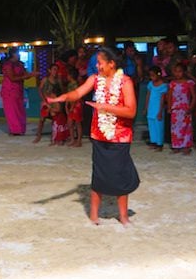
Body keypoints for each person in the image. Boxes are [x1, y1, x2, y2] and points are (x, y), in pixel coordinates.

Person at [47, 47, 139, 226]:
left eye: (100, 63)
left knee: (120, 175)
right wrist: (62, 97)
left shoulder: (125, 82)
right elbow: (78, 93)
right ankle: (94, 215)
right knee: (99, 175)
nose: (96, 66)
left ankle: (123, 216)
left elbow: (131, 111)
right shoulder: (94, 79)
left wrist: (105, 107)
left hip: (119, 137)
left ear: (112, 64)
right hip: (99, 135)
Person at [0, 48, 37, 136]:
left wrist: (31, 75)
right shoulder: (8, 65)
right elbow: (12, 78)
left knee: (20, 110)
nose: (19, 55)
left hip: (18, 90)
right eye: (18, 53)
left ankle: (20, 129)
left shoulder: (20, 64)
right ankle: (15, 130)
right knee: (12, 111)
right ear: (13, 54)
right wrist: (27, 76)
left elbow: (25, 75)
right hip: (9, 90)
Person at [167, 63, 196, 155]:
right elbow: (169, 96)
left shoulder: (189, 83)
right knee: (175, 128)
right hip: (175, 108)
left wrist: (191, 107)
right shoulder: (172, 84)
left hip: (185, 108)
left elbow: (194, 96)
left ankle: (186, 146)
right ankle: (176, 146)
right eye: (176, 71)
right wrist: (169, 107)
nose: (177, 74)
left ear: (184, 72)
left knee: (186, 128)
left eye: (180, 71)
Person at [33, 64, 62, 143]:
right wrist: (44, 100)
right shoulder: (45, 80)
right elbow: (40, 90)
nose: (55, 71)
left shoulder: (58, 81)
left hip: (54, 101)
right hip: (46, 101)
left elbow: (61, 91)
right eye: (54, 69)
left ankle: (54, 137)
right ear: (49, 70)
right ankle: (38, 135)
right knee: (42, 119)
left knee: (54, 119)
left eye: (56, 70)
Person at [144, 66, 168, 151]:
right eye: (150, 76)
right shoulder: (150, 84)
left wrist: (160, 111)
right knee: (152, 126)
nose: (152, 77)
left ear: (159, 75)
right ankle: (153, 142)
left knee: (159, 126)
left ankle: (159, 144)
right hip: (151, 108)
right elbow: (148, 96)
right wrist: (145, 108)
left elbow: (162, 99)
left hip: (158, 109)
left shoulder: (163, 86)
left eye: (153, 75)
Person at [65, 68, 83, 147]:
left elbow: (76, 96)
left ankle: (79, 141)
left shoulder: (75, 84)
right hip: (71, 105)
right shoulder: (70, 84)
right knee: (70, 123)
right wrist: (66, 105)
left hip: (76, 105)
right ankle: (72, 139)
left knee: (77, 123)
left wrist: (72, 107)